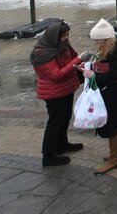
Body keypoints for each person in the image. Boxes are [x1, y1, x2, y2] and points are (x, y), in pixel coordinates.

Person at [30, 21, 83, 167]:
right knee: (55, 123)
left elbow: (73, 57)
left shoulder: (61, 46)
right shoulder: (42, 54)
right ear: (55, 37)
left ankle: (62, 145)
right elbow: (56, 75)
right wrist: (77, 61)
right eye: (64, 36)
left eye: (67, 35)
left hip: (66, 89)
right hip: (54, 93)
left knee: (65, 118)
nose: (67, 38)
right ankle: (48, 155)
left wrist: (80, 61)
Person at [83, 19, 117, 175]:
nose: (96, 42)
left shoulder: (115, 51)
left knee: (113, 124)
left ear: (105, 38)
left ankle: (115, 159)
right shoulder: (113, 47)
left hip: (113, 90)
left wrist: (93, 75)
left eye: (97, 39)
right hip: (115, 89)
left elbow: (112, 75)